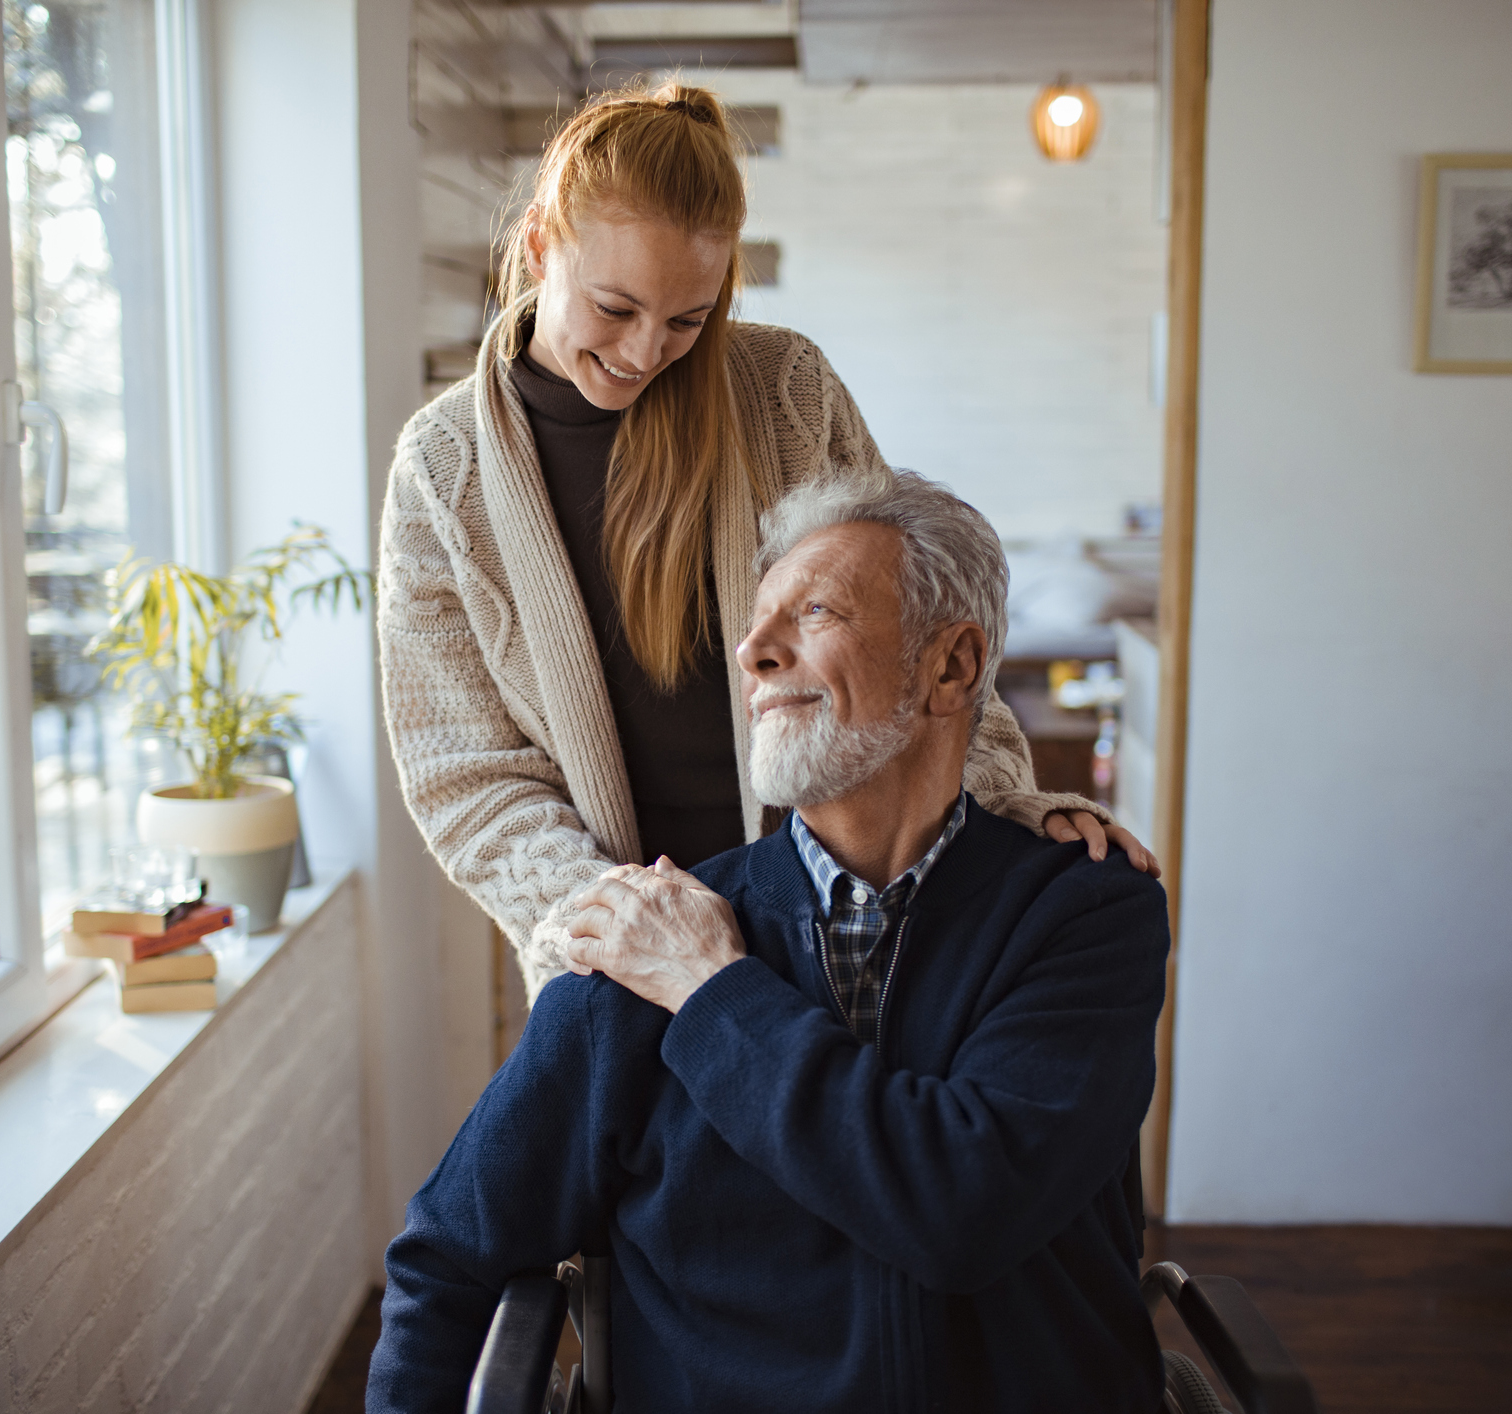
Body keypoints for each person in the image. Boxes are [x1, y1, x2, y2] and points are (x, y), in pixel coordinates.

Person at [366, 473, 1170, 1412]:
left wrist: (713, 994)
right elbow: (449, 1258)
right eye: (756, 623)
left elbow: (964, 1211)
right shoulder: (642, 944)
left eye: (816, 610)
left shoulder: (1083, 914)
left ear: (951, 668)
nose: (753, 651)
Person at [377, 79, 1154, 996]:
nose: (643, 353)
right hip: (619, 966)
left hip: (851, 916)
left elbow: (912, 626)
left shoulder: (783, 389)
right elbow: (465, 776)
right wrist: (632, 928)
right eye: (616, 309)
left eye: (687, 320)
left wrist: (1002, 805)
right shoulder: (441, 470)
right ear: (542, 242)